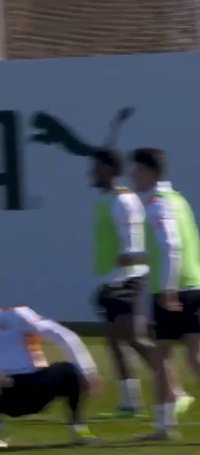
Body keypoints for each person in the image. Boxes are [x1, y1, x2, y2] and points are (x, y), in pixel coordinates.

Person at [0, 289, 102, 446]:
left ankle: (80, 431)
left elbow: (62, 334)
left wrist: (88, 371)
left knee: (69, 371)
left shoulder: (13, 315)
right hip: (2, 393)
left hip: (34, 386)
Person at [131, 148, 200, 440]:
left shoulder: (157, 204)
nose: (133, 176)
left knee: (161, 357)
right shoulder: (179, 200)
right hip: (194, 284)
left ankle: (163, 426)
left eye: (136, 170)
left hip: (174, 291)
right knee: (195, 357)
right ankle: (163, 425)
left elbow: (172, 246)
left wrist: (169, 288)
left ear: (149, 171)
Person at [89, 149, 153, 417]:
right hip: (113, 280)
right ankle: (130, 402)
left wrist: (122, 273)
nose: (92, 173)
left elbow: (132, 242)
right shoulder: (108, 200)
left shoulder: (123, 201)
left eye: (96, 168)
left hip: (128, 279)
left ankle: (172, 386)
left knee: (134, 339)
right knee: (115, 341)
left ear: (109, 170)